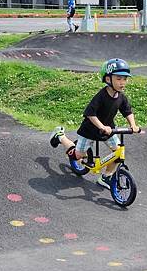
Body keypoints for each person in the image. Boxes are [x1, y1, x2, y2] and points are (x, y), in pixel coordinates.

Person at [49, 58, 141, 189]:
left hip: (108, 130)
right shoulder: (101, 96)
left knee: (118, 153)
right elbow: (90, 114)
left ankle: (106, 177)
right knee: (78, 155)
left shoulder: (121, 97)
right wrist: (102, 126)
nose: (123, 82)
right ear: (108, 79)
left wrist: (133, 125)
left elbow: (127, 111)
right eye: (119, 79)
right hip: (90, 130)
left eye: (125, 79)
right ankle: (60, 136)